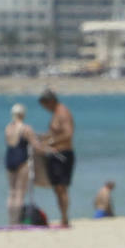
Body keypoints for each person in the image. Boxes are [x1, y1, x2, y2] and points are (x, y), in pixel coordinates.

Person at [38, 89, 75, 226]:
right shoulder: (55, 113)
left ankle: (65, 218)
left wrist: (50, 142)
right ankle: (63, 217)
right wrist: (43, 137)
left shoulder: (62, 112)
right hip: (55, 154)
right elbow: (55, 133)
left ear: (51, 101)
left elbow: (68, 134)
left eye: (45, 105)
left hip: (63, 154)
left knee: (61, 187)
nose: (45, 108)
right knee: (57, 188)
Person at [4, 102, 39, 225]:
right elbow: (36, 145)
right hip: (21, 159)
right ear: (23, 114)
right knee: (20, 191)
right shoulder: (25, 128)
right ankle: (17, 221)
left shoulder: (8, 128)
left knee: (11, 191)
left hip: (9, 159)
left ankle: (11, 220)